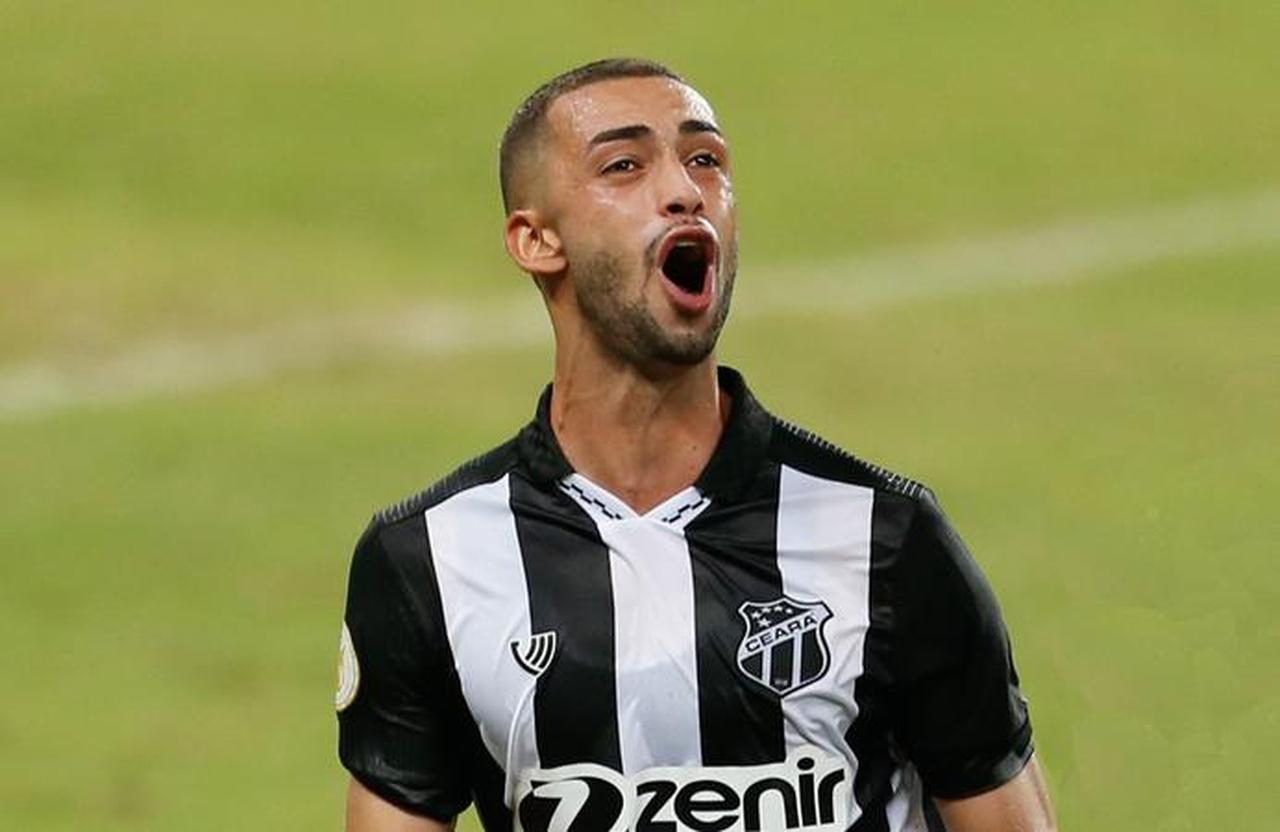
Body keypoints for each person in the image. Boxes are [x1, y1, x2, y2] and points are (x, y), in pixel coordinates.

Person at [336, 58, 1057, 832]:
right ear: (537, 239)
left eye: (705, 159)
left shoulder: (884, 537)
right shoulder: (431, 561)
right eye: (624, 165)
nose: (684, 190)